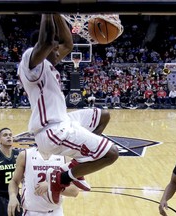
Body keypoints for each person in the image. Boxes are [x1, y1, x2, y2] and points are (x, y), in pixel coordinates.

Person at [18, 14, 119, 204]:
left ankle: (78, 163)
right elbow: (47, 41)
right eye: (55, 47)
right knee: (111, 154)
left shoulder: (48, 62)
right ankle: (63, 178)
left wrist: (57, 14)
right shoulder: (29, 63)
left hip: (64, 121)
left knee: (103, 116)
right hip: (51, 131)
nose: (58, 50)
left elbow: (69, 45)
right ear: (39, 48)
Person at [8, 147, 79, 216]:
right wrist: (12, 196)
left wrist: (51, 186)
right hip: (31, 212)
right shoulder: (25, 155)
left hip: (55, 212)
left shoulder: (64, 158)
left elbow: (74, 191)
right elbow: (14, 181)